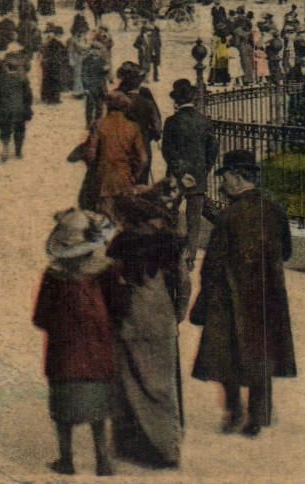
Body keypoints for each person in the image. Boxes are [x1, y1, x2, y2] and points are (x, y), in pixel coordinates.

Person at [191, 148, 296, 435]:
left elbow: (213, 263)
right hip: (266, 297)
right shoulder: (274, 208)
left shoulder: (229, 217)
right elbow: (285, 251)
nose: (223, 183)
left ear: (237, 177)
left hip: (229, 296)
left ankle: (234, 413)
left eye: (224, 177)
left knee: (226, 355)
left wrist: (203, 300)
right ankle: (258, 417)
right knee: (261, 353)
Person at [33, 207, 126, 477]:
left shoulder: (53, 275)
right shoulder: (105, 271)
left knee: (63, 411)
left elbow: (40, 317)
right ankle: (103, 461)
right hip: (97, 351)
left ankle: (67, 460)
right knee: (98, 409)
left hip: (63, 355)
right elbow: (120, 307)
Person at [108, 189, 190, 469]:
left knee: (130, 382)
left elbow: (111, 280)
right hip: (162, 318)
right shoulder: (171, 242)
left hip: (132, 318)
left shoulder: (123, 242)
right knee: (162, 386)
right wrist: (176, 315)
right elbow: (184, 282)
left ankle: (133, 446)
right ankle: (168, 449)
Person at [161, 78, 219, 267]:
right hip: (198, 178)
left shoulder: (171, 122)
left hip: (176, 178)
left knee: (171, 213)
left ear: (176, 101)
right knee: (194, 220)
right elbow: (213, 150)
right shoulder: (204, 122)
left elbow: (167, 151)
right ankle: (190, 257)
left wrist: (180, 173)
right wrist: (203, 170)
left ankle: (171, 252)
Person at [83, 92, 148, 221]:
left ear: (108, 106)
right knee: (124, 218)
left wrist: (96, 170)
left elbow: (90, 154)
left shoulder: (99, 125)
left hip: (104, 179)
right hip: (125, 178)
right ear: (125, 108)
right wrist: (134, 175)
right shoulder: (132, 127)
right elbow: (142, 158)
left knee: (105, 220)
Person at [114, 61, 163, 183]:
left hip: (120, 151)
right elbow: (157, 127)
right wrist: (150, 135)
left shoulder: (114, 96)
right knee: (141, 186)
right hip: (142, 149)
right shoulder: (145, 95)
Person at [0, 46, 33, 161]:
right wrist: (27, 107)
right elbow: (28, 95)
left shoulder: (1, 78)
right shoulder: (23, 78)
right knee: (20, 129)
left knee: (5, 129)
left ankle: (5, 149)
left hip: (4, 109)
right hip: (19, 109)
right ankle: (18, 151)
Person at [81, 39, 111, 128]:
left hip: (100, 86)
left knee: (99, 106)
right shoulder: (86, 60)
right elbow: (84, 74)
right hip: (90, 86)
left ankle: (98, 123)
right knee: (89, 106)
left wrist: (106, 70)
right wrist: (85, 87)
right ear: (90, 51)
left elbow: (104, 73)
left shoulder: (102, 60)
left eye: (98, 50)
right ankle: (89, 123)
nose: (96, 52)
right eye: (94, 50)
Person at [40, 25, 69, 104]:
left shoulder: (52, 42)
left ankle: (47, 97)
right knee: (54, 81)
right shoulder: (54, 43)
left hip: (50, 64)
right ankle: (52, 99)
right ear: (57, 34)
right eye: (60, 34)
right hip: (53, 64)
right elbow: (61, 53)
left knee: (48, 81)